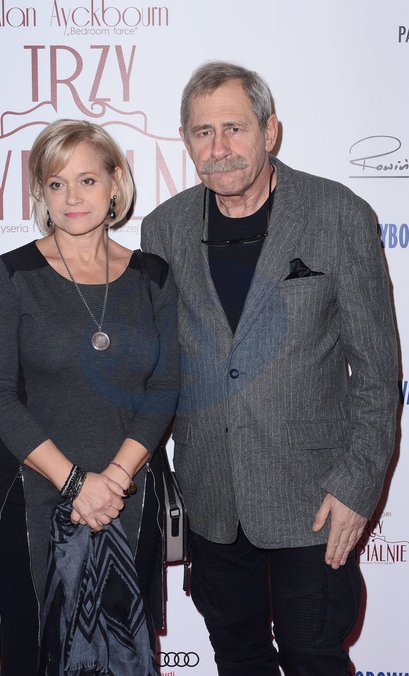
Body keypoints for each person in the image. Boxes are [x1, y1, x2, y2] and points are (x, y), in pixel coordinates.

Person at [141, 61, 398, 675]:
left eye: (234, 128)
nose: (219, 147)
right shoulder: (163, 230)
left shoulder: (338, 214)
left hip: (315, 498)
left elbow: (377, 370)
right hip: (211, 498)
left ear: (270, 131)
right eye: (203, 132)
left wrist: (356, 486)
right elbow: (157, 367)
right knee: (238, 658)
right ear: (185, 141)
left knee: (314, 657)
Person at [0, 119, 180, 675]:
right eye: (56, 183)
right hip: (29, 494)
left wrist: (112, 480)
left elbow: (164, 386)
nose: (72, 197)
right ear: (41, 192)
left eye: (87, 180)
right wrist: (74, 484)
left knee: (123, 653)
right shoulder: (12, 275)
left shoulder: (153, 277)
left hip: (127, 494)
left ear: (115, 184)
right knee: (32, 649)